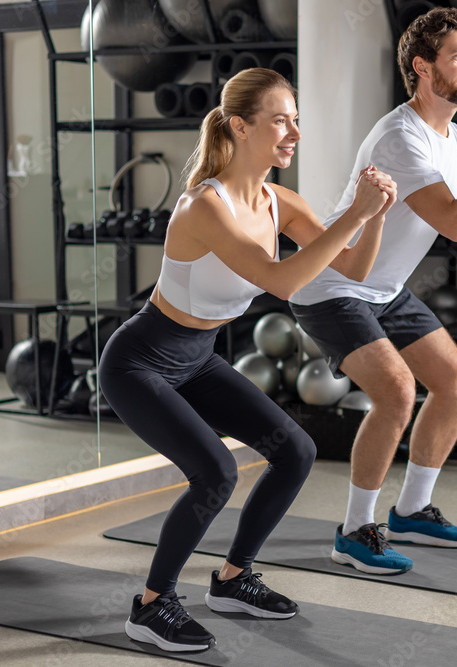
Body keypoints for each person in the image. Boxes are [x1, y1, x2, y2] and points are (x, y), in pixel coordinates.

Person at [98, 68, 396, 653]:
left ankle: (234, 578)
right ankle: (151, 606)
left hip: (198, 357)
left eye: (296, 119)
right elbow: (282, 279)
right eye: (281, 120)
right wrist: (355, 215)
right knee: (215, 473)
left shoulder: (277, 200)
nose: (294, 133)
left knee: (297, 451)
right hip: (141, 361)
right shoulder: (204, 207)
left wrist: (377, 210)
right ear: (240, 125)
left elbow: (356, 269)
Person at [289, 7, 457, 575]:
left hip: (383, 289)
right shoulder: (399, 136)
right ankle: (354, 531)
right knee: (395, 392)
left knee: (455, 381)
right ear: (422, 67)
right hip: (333, 286)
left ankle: (412, 510)